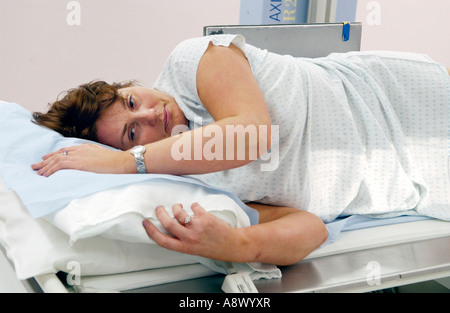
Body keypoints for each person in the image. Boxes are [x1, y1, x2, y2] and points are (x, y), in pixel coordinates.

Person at [31, 34, 450, 266]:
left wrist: (126, 160)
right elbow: (310, 227)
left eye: (131, 102)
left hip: (401, 98)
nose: (150, 116)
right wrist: (238, 243)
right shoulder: (186, 183)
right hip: (421, 178)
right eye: (131, 133)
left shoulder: (192, 62)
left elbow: (251, 135)